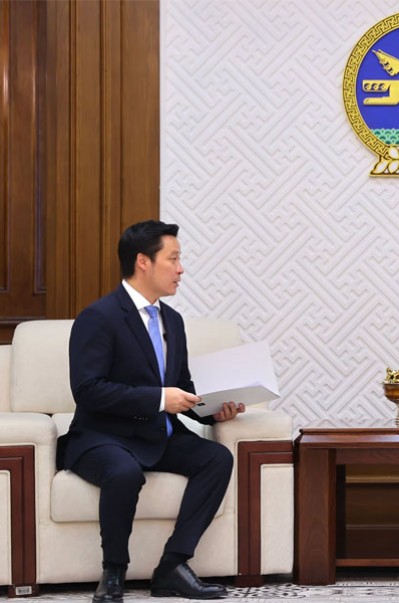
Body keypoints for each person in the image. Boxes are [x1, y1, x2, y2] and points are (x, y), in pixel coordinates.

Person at [56, 220, 246, 603]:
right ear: (143, 261)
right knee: (124, 472)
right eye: (173, 259)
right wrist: (159, 400)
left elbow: (182, 386)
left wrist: (214, 411)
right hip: (102, 437)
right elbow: (88, 390)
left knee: (216, 458)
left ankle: (173, 566)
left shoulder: (173, 321)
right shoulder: (99, 317)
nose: (181, 269)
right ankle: (113, 571)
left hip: (157, 434)